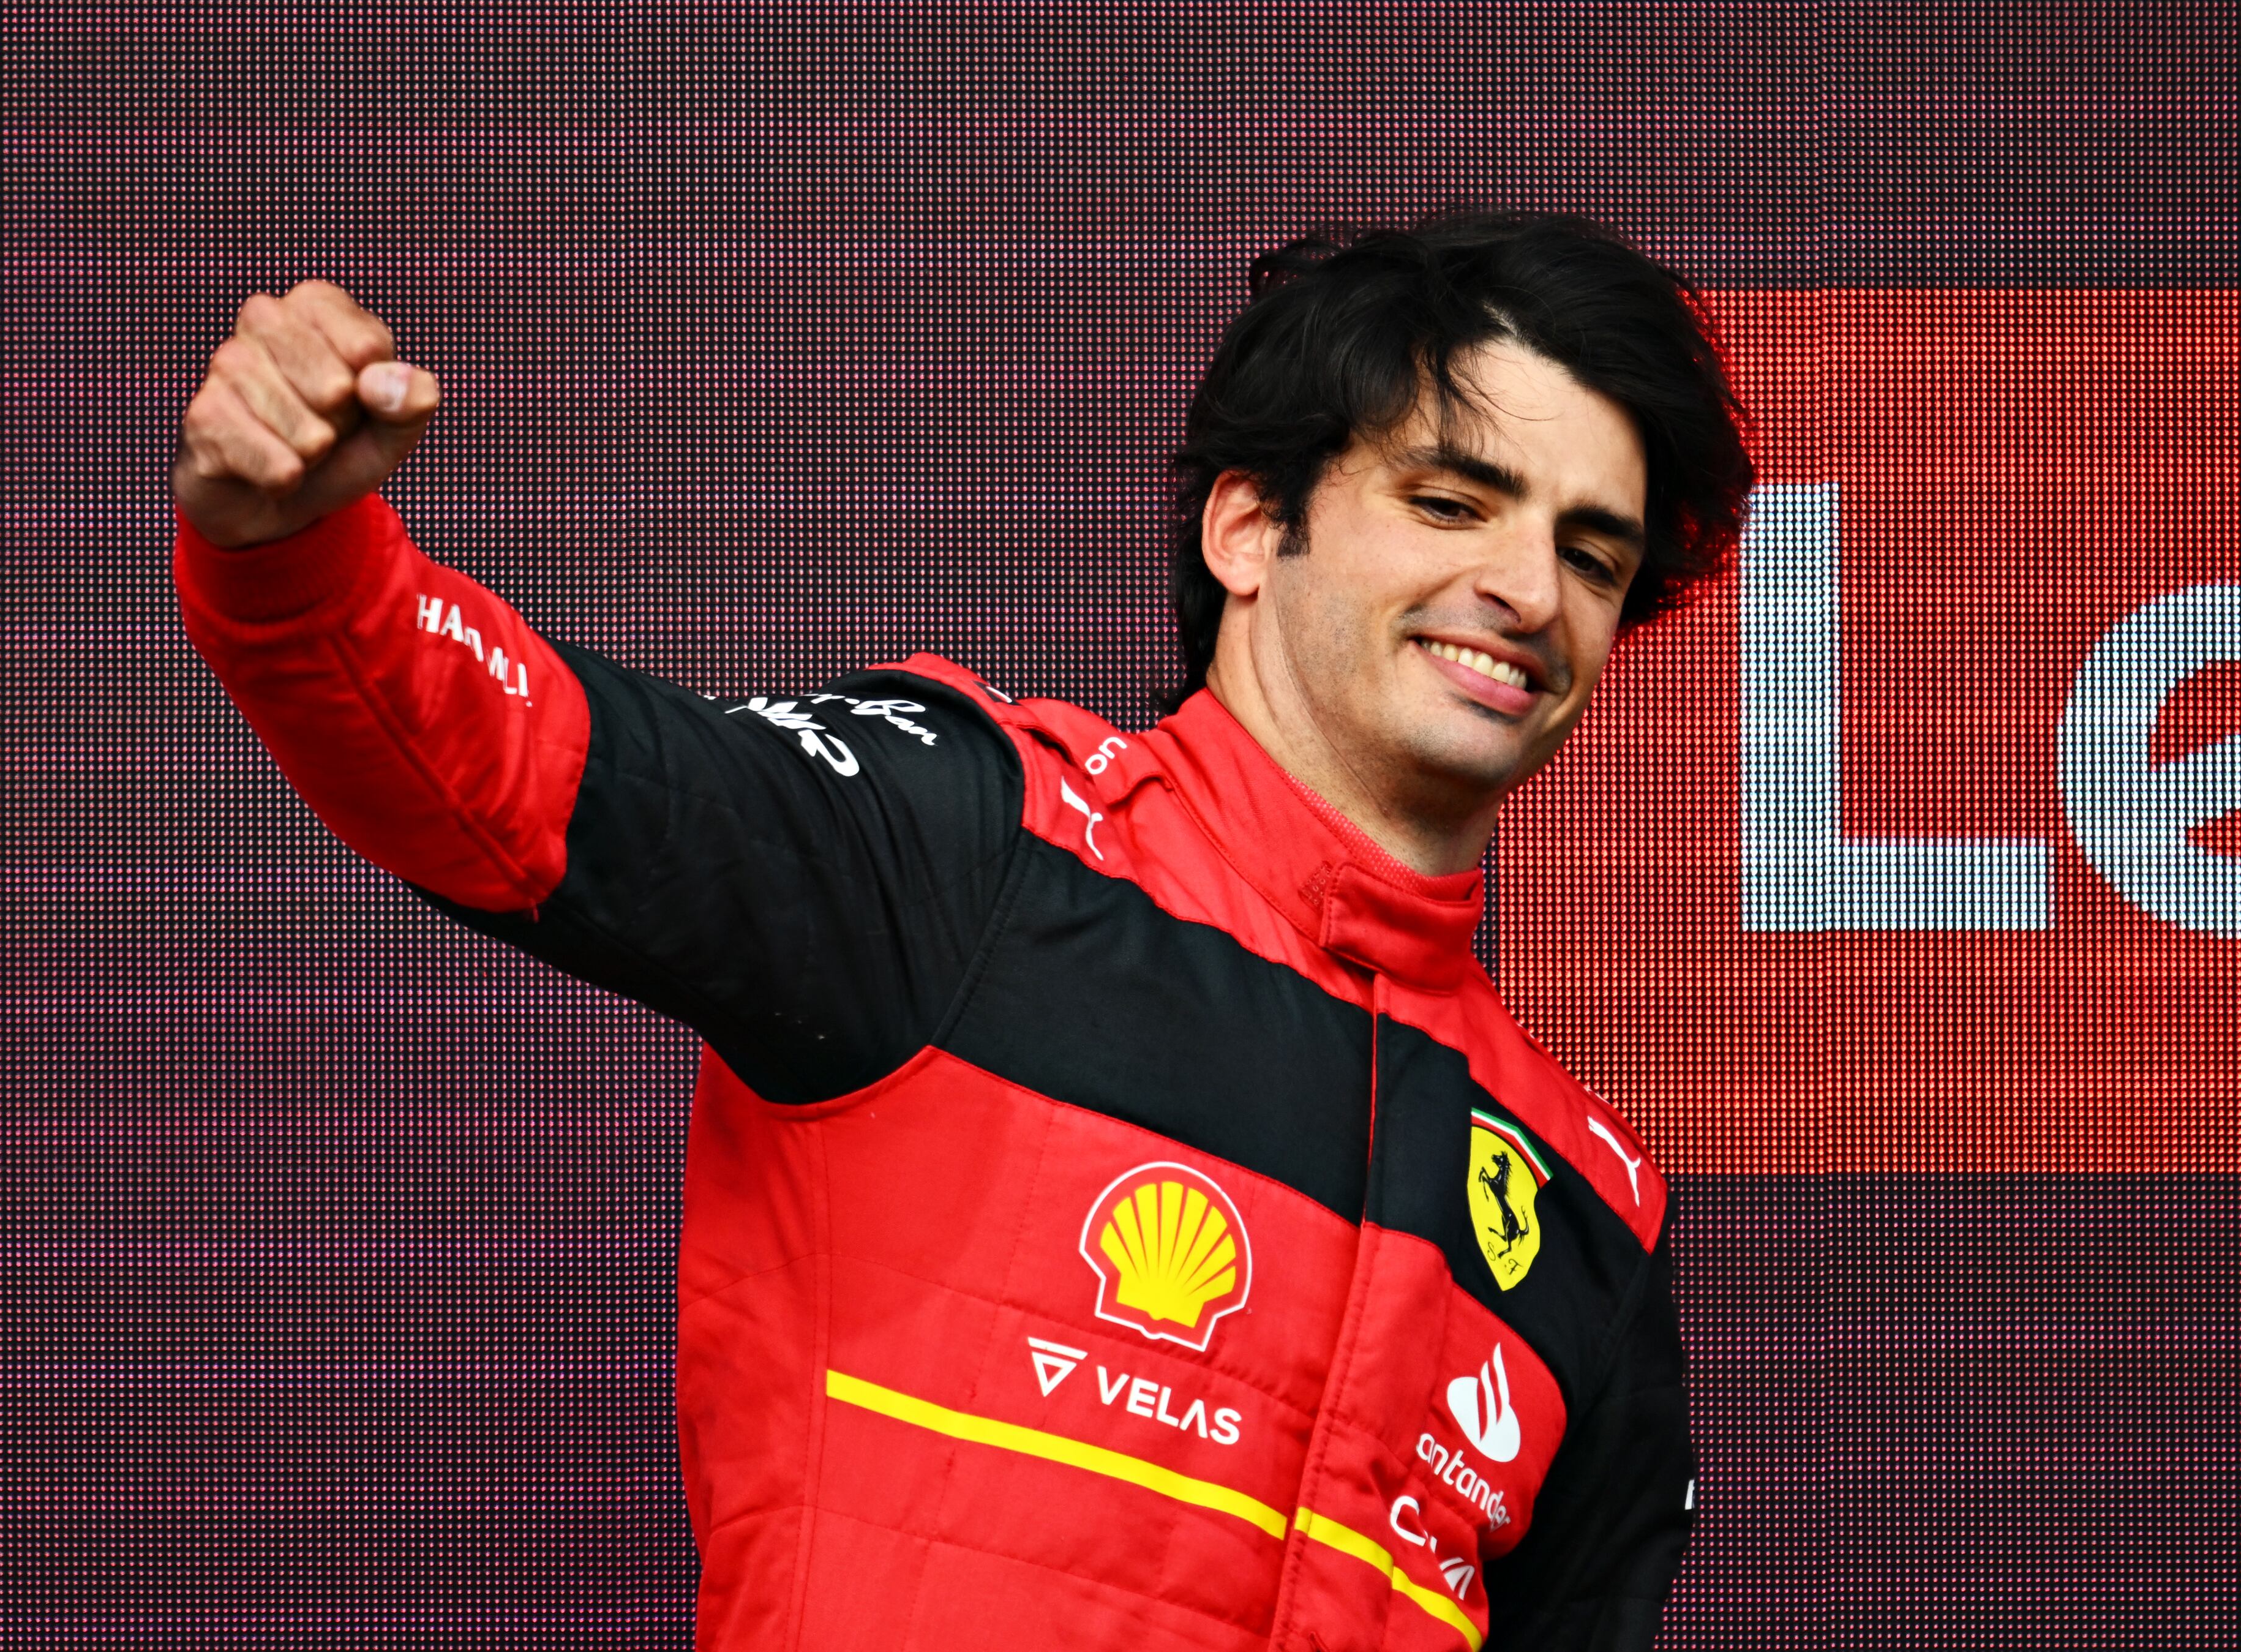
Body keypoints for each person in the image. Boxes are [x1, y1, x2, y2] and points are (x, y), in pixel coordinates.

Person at [170, 211, 1754, 1651]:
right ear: (1246, 528)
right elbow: (520, 769)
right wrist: (296, 555)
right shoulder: (971, 840)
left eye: (1586, 551)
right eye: (1448, 500)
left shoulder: (1580, 1196)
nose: (1524, 589)